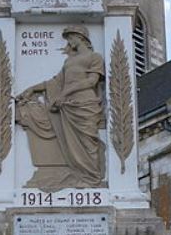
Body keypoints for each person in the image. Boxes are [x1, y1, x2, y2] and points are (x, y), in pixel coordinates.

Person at [16, 25, 106, 190]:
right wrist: (32, 89)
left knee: (88, 142)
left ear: (81, 37)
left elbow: (91, 82)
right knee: (72, 143)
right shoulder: (69, 61)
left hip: (85, 104)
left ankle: (92, 178)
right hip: (68, 107)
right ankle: (80, 175)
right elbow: (55, 82)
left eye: (71, 37)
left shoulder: (95, 57)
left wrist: (65, 93)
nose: (69, 41)